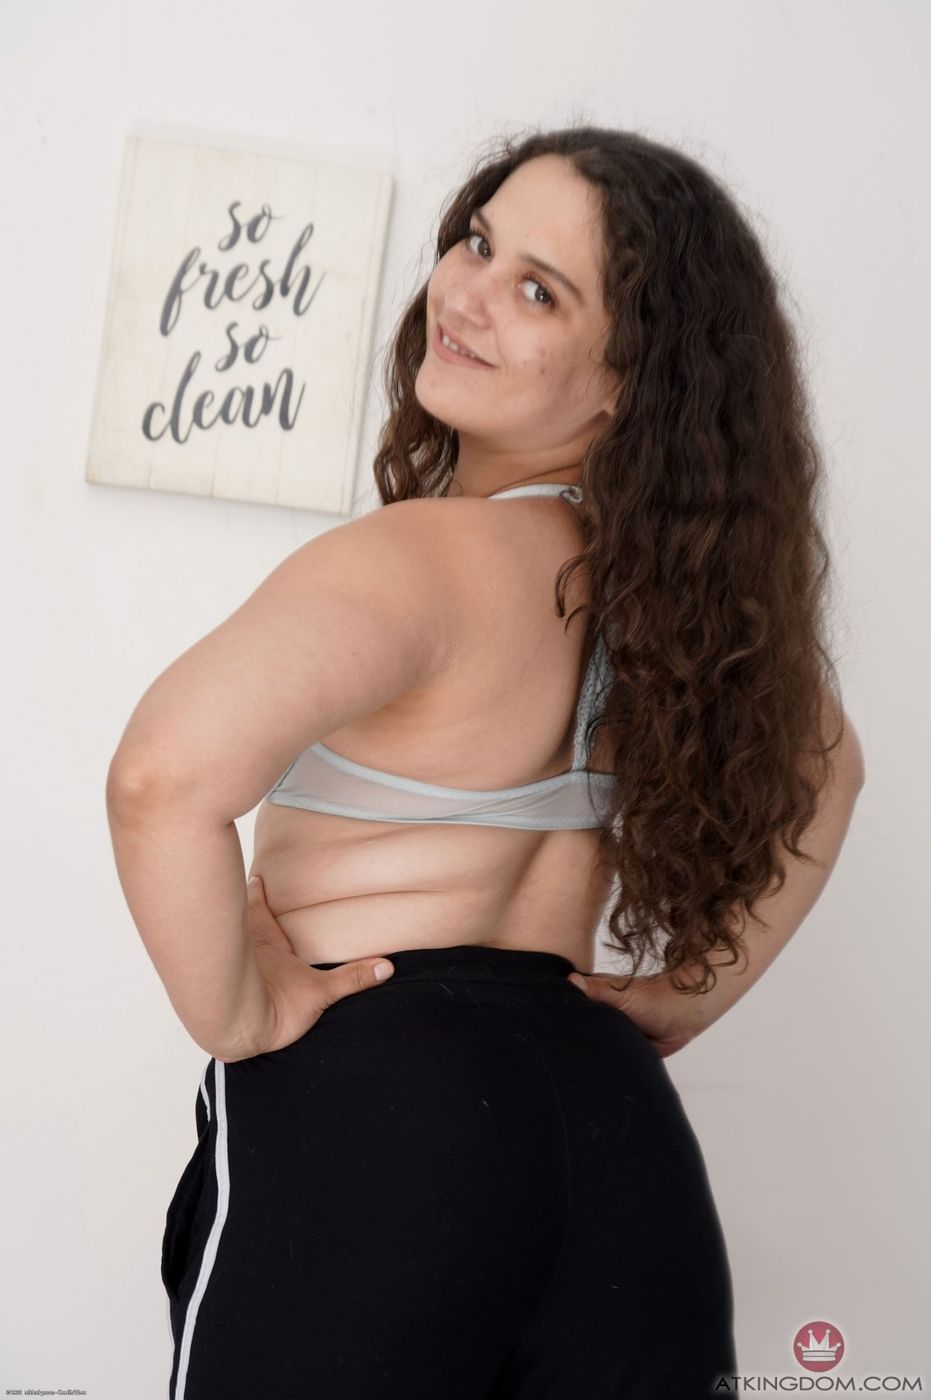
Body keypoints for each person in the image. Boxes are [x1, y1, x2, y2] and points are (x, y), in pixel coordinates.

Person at [106, 125, 866, 1399]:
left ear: (625, 380)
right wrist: (686, 997)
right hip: (617, 1139)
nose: (464, 294)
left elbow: (160, 777)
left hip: (379, 1122)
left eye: (539, 291)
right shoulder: (689, 606)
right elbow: (828, 771)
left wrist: (237, 1014)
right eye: (477, 242)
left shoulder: (415, 559)